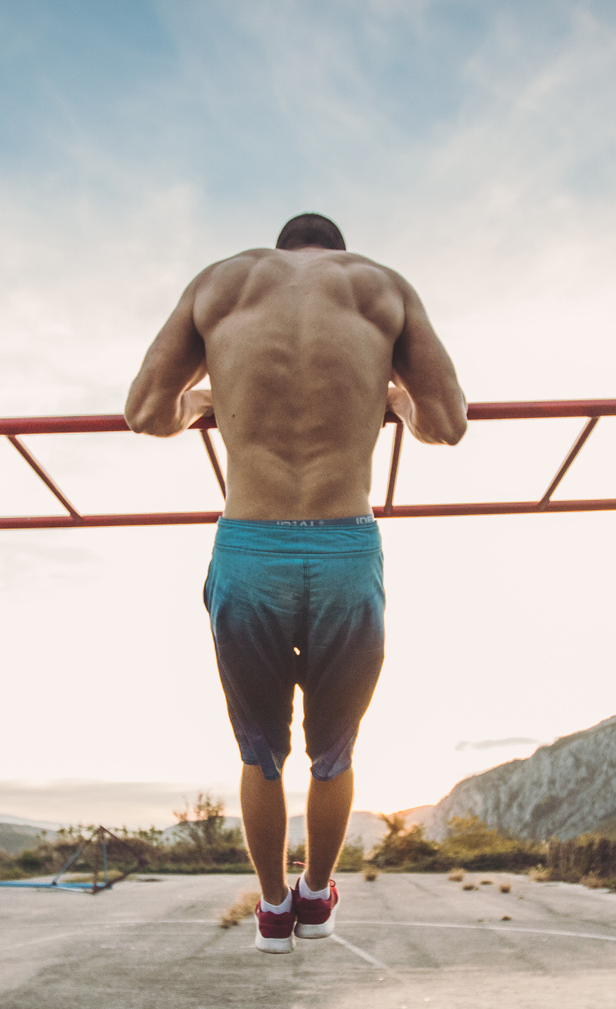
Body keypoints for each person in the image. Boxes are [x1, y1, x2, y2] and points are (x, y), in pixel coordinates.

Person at [126, 213, 466, 953]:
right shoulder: (383, 287)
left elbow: (144, 413)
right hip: (345, 545)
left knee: (259, 753)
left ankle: (274, 910)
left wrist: (201, 402)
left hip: (250, 546)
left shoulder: (220, 283)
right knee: (334, 752)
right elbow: (448, 424)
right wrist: (395, 401)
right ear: (335, 250)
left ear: (281, 249)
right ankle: (318, 893)